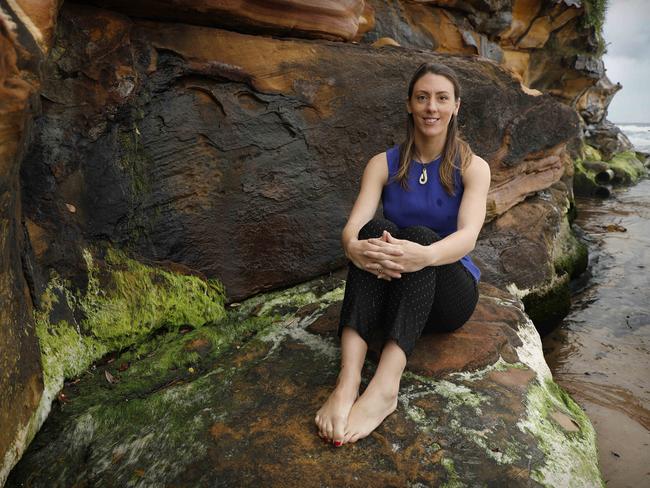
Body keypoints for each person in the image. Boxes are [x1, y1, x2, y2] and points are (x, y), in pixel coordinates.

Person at [314, 62, 491, 447]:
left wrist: (423, 256)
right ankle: (347, 383)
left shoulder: (473, 167)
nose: (432, 107)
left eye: (442, 98)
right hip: (399, 289)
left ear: (456, 106)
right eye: (422, 97)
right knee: (374, 232)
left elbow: (468, 238)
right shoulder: (382, 163)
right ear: (410, 105)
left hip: (449, 294)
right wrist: (353, 247)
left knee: (419, 236)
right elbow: (354, 225)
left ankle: (385, 387)